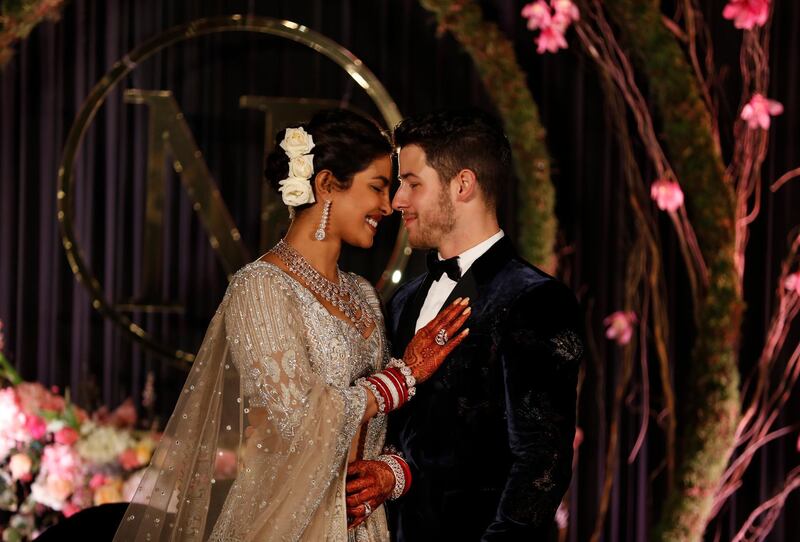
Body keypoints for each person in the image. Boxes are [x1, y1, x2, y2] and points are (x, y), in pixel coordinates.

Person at [112, 109, 470, 542]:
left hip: (363, 527)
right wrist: (403, 376)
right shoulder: (260, 288)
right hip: (287, 522)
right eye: (377, 187)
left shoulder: (362, 295)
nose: (387, 205)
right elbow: (298, 417)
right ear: (325, 185)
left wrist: (391, 471)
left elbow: (385, 427)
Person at [345, 110, 583, 540]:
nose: (397, 201)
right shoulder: (402, 302)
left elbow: (541, 464)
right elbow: (415, 438)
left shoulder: (536, 299)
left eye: (413, 183)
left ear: (463, 185)